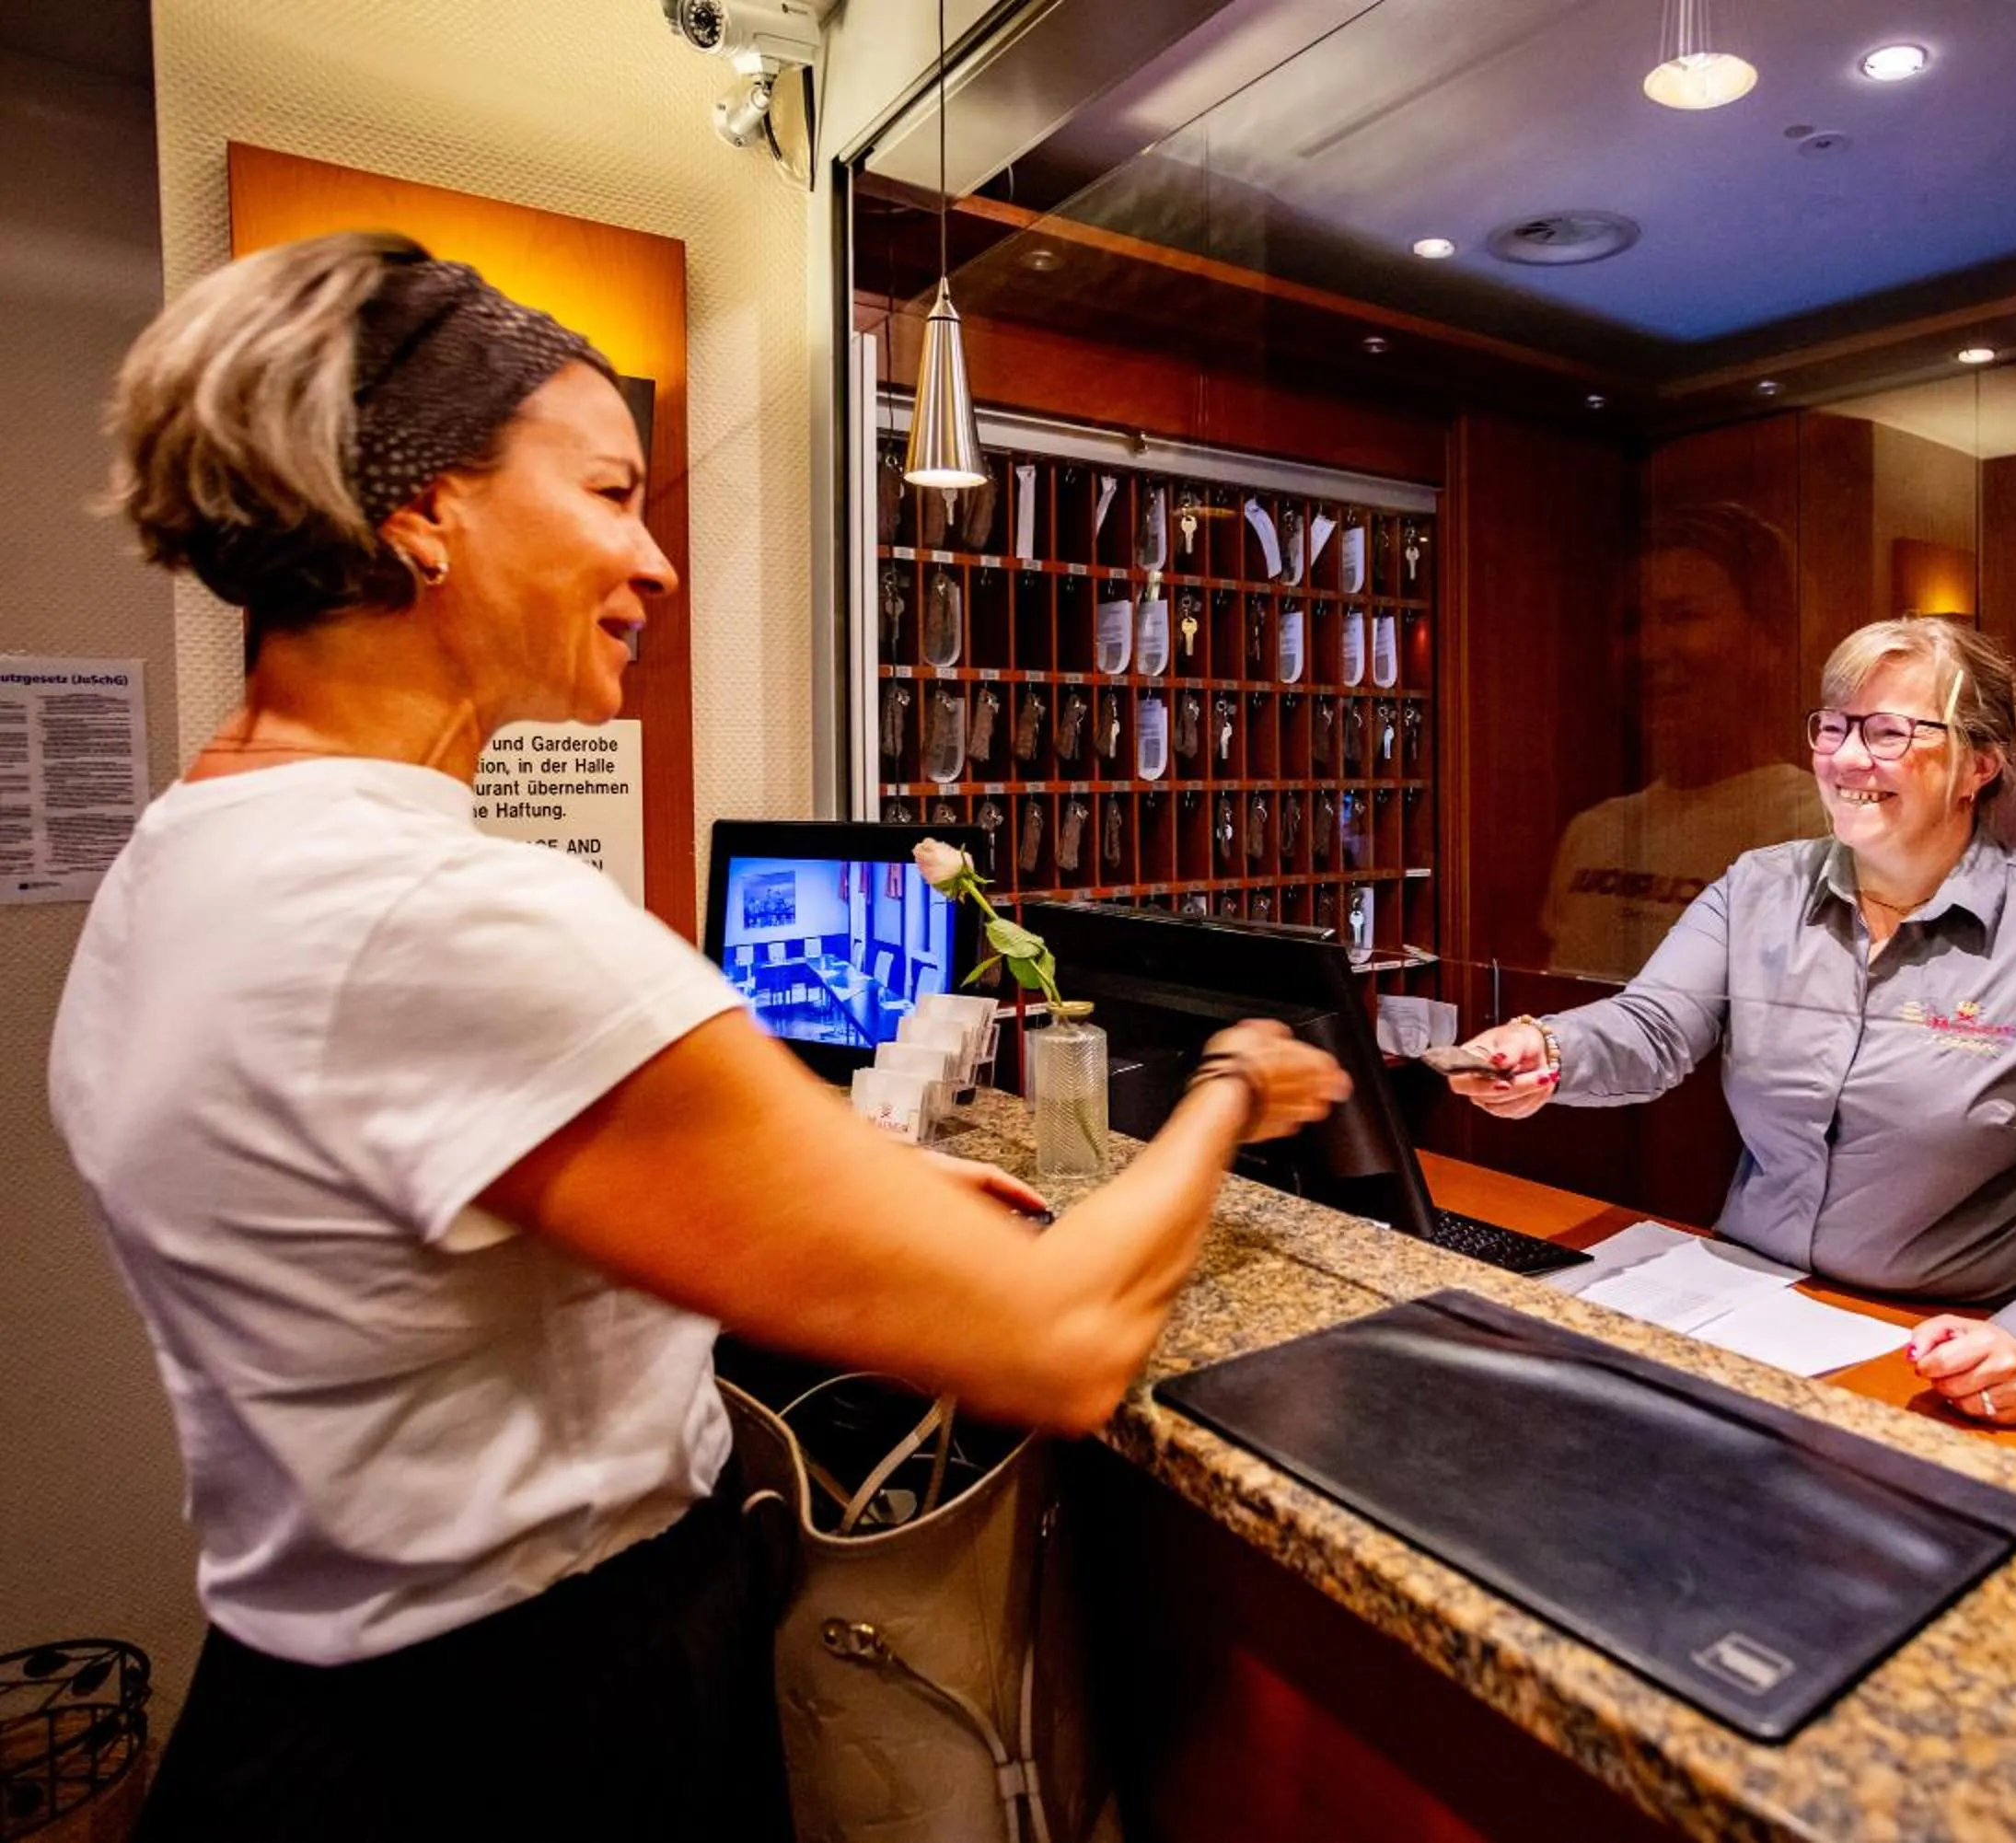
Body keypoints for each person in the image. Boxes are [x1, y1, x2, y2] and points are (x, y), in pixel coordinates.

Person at [52, 231, 1350, 1841]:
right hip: (532, 1734)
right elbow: (1062, 1341)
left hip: (307, 1716)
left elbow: (427, 1237)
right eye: (609, 494)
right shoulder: (444, 915)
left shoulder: (194, 854)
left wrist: (840, 1204)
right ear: (420, 512)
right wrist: (1231, 1084)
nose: (656, 562)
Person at [1457, 617, 2016, 1425]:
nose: (1848, 760)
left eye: (1890, 733)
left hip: (1936, 1350)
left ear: (1980, 766)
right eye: (1836, 727)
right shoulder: (1757, 889)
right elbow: (1653, 1028)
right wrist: (1546, 1049)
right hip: (1738, 1311)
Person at [1538, 504, 1829, 980]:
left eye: (1683, 616)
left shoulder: (1814, 826)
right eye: (1632, 624)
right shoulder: (1594, 831)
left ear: (1768, 641)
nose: (1649, 649)